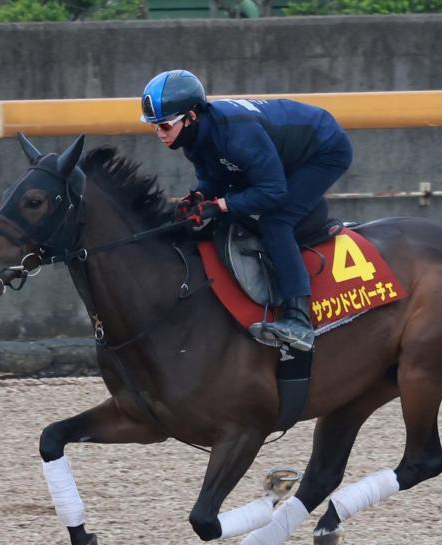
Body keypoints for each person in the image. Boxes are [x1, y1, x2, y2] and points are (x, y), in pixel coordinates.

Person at [140, 69, 353, 352]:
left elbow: (273, 191)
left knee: (276, 222)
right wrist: (200, 197)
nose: (159, 134)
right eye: (154, 126)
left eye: (165, 126)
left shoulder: (236, 135)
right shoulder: (194, 139)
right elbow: (213, 179)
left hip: (324, 149)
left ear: (191, 116)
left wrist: (221, 205)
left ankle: (299, 321)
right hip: (284, 150)